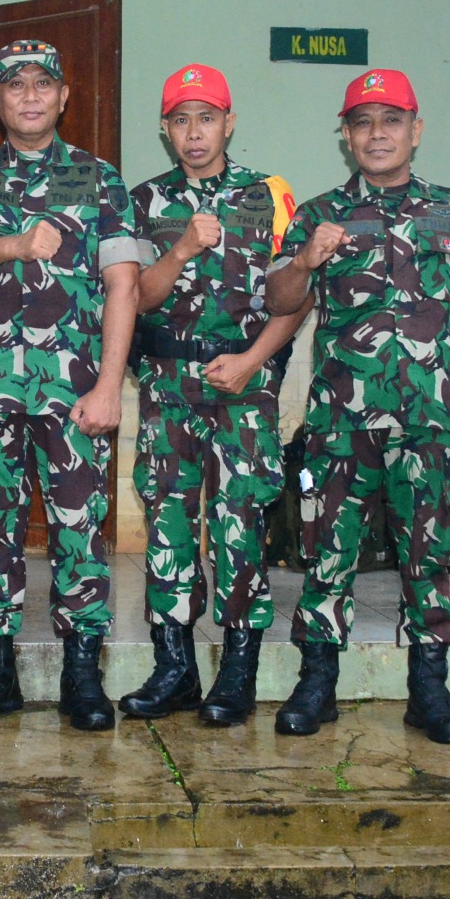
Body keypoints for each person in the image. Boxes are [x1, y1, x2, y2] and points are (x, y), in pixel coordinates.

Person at [265, 68, 450, 745]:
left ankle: (430, 689)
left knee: (430, 553)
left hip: (427, 418)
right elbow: (280, 301)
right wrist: (305, 260)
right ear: (346, 136)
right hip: (341, 419)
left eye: (391, 121)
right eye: (362, 122)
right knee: (327, 553)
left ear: (415, 131)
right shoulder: (317, 214)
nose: (377, 134)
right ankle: (317, 683)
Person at [0, 39, 139, 732]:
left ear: (63, 96)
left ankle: (83, 672)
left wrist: (110, 386)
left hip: (75, 394)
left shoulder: (99, 178)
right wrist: (13, 245)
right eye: (14, 85)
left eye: (42, 83)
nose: (29, 95)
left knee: (80, 528)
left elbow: (123, 284)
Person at [118, 64, 307, 726]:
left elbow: (295, 296)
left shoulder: (268, 196)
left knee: (239, 526)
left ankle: (237, 673)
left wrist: (252, 363)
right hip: (169, 389)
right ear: (165, 129)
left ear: (229, 123)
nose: (193, 132)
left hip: (243, 392)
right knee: (168, 527)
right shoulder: (143, 201)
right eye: (180, 120)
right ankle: (174, 671)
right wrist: (180, 249)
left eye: (206, 118)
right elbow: (137, 297)